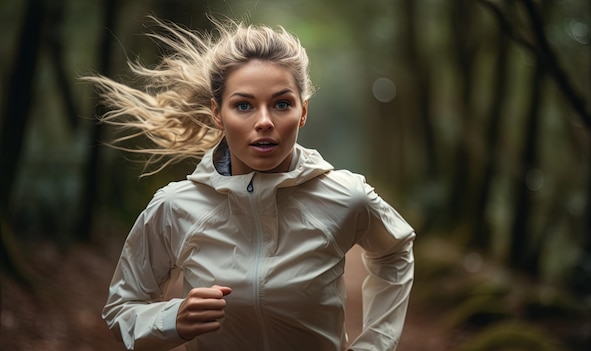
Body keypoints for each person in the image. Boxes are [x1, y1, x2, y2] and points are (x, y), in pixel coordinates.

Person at [85, 16, 415, 351]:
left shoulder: (346, 196)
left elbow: (395, 251)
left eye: (281, 104)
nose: (264, 122)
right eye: (243, 105)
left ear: (303, 111)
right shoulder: (174, 206)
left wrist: (375, 344)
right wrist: (173, 320)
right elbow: (121, 309)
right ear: (217, 113)